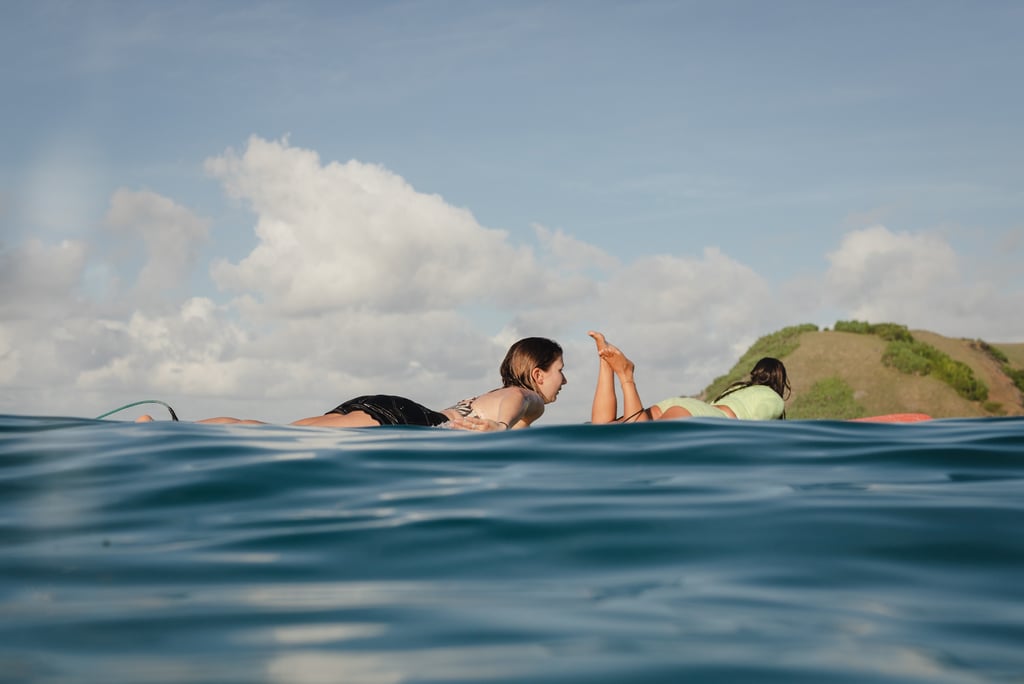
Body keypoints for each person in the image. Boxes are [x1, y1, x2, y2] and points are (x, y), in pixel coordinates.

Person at [140, 337, 566, 431]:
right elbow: (515, 403)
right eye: (561, 369)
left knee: (282, 431)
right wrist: (497, 430)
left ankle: (174, 428)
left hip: (400, 410)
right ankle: (166, 430)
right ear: (537, 374)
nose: (565, 380)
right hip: (407, 418)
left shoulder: (490, 394)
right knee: (278, 433)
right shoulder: (526, 397)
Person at [588, 331, 789, 423]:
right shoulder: (773, 399)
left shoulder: (738, 389)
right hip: (700, 415)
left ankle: (605, 361)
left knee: (605, 430)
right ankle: (626, 376)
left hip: (685, 406)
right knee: (638, 437)